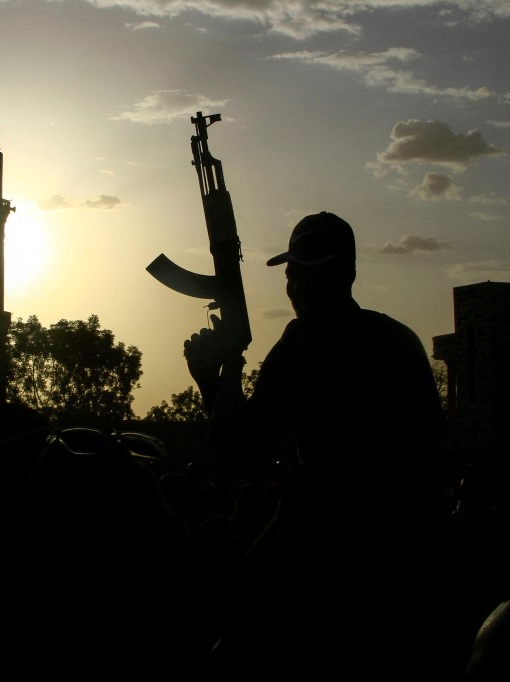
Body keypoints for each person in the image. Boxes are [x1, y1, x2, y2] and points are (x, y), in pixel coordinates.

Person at [184, 211, 456, 679]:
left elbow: (243, 446)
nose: (297, 287)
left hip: (324, 526)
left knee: (237, 622)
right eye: (293, 275)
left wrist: (216, 377)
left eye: (310, 273)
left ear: (344, 274)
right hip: (388, 532)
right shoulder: (395, 340)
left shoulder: (302, 344)